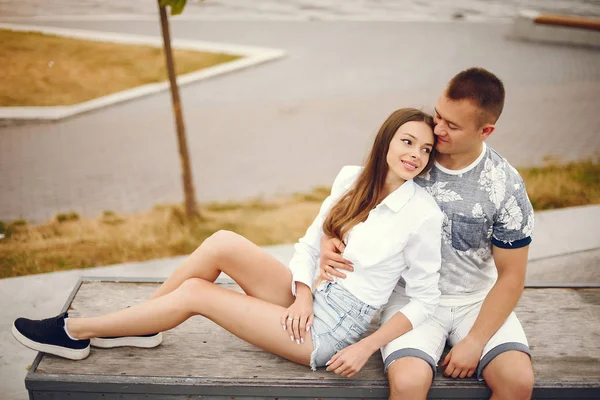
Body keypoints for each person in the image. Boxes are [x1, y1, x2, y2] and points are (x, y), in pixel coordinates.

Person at [13, 108, 444, 377]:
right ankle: (143, 324)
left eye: (425, 150)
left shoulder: (422, 213)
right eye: (408, 141)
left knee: (198, 293)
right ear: (387, 139)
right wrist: (303, 295)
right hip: (309, 301)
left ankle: (76, 331)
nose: (415, 154)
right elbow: (309, 246)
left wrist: (365, 345)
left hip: (332, 332)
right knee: (222, 241)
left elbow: (425, 298)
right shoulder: (351, 178)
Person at [319, 68, 536, 399]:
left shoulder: (504, 184)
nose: (437, 129)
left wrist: (475, 341)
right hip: (410, 300)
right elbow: (355, 198)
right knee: (408, 384)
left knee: (517, 382)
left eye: (452, 125)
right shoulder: (414, 157)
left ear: (485, 130)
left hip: (476, 301)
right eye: (438, 115)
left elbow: (512, 277)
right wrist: (328, 238)